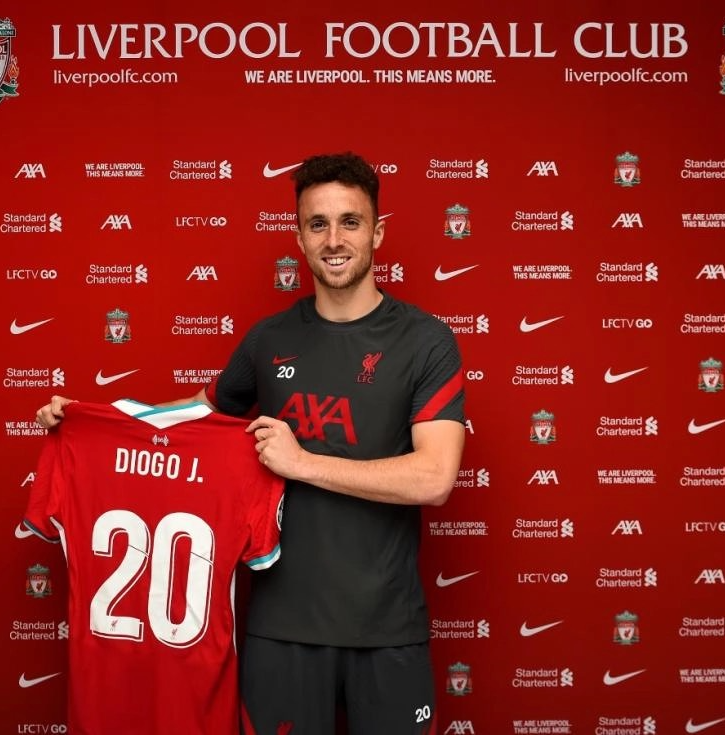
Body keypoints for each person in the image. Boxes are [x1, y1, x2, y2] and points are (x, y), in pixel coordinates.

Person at [36, 152, 466, 734]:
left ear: (378, 232)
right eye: (317, 224)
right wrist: (90, 419)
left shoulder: (426, 341)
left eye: (350, 222)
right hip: (280, 629)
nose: (333, 240)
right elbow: (193, 418)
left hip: (388, 627)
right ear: (299, 238)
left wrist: (302, 462)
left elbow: (434, 478)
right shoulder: (269, 339)